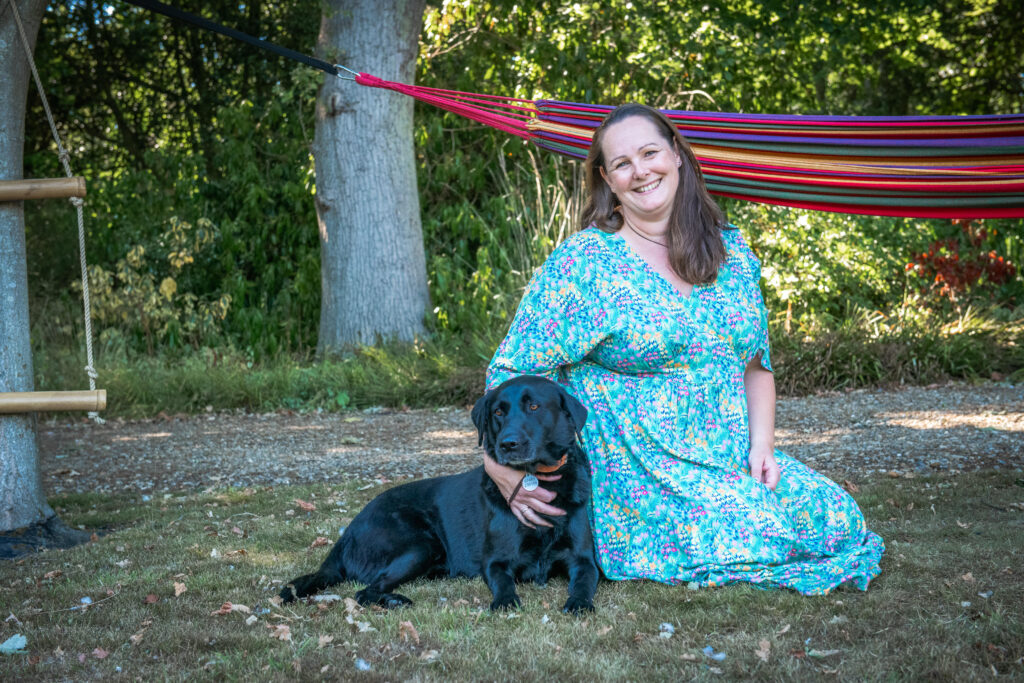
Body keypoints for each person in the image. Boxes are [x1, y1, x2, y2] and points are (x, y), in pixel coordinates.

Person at [482, 103, 884, 595]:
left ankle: (749, 499)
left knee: (838, 519)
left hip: (730, 453)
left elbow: (757, 366)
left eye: (650, 153)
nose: (640, 171)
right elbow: (510, 371)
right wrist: (498, 466)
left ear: (676, 155)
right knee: (758, 533)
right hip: (641, 471)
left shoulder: (732, 254)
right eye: (623, 164)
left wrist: (762, 449)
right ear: (607, 179)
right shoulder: (585, 263)